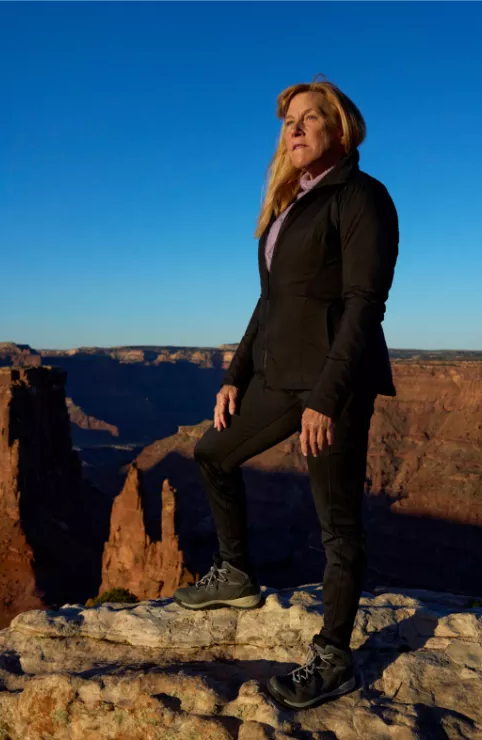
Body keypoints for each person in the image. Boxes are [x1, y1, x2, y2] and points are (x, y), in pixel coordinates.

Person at [171, 78, 399, 711]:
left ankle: (334, 658)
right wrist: (234, 376)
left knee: (336, 524)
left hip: (334, 381)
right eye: (288, 122)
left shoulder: (361, 198)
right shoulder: (289, 204)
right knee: (212, 453)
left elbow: (363, 306)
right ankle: (236, 573)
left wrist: (326, 396)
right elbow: (268, 304)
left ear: (339, 127)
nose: (294, 129)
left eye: (309, 118)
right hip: (278, 375)